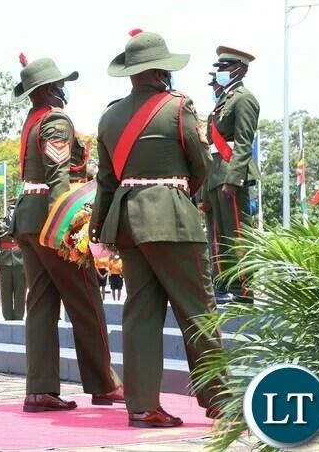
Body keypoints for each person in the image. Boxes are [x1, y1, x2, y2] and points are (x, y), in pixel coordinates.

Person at [91, 29, 225, 427]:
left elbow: (105, 181)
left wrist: (101, 230)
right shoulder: (178, 107)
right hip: (172, 219)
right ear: (161, 70)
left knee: (141, 314)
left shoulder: (109, 116)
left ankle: (142, 405)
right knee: (198, 310)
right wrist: (180, 196)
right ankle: (219, 397)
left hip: (128, 221)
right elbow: (201, 164)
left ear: (131, 72)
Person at [11, 56, 123, 413]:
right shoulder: (55, 120)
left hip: (28, 217)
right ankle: (104, 384)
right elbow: (58, 176)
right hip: (49, 219)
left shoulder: (32, 120)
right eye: (60, 85)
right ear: (47, 90)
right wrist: (66, 226)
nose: (64, 90)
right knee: (86, 299)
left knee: (41, 304)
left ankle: (40, 388)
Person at [203, 46, 259, 304]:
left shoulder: (244, 98)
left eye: (224, 68)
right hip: (215, 174)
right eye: (220, 68)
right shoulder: (223, 101)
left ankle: (242, 290)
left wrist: (233, 178)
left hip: (230, 174)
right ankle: (222, 285)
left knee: (236, 234)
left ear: (240, 69)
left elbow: (244, 143)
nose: (221, 72)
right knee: (215, 235)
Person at [0, 200, 25, 319]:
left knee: (20, 291)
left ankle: (19, 316)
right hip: (4, 260)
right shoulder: (0, 222)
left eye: (14, 207)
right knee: (6, 291)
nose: (12, 209)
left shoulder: (23, 221)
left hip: (20, 260)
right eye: (11, 207)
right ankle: (7, 316)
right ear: (7, 208)